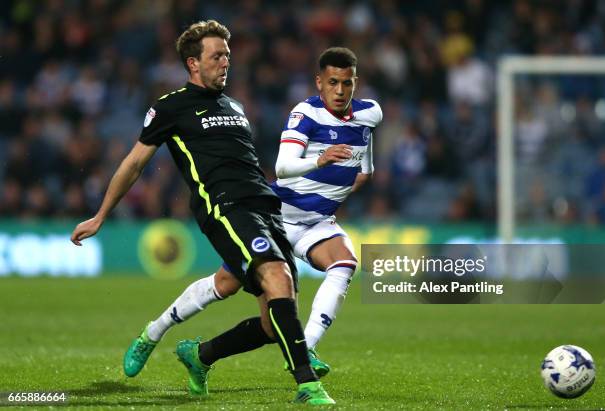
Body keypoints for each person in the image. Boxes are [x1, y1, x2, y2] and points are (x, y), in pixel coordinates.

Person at [70, 20, 334, 405]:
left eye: (227, 55)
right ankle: (307, 384)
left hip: (265, 206)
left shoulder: (235, 106)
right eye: (217, 56)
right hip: (224, 207)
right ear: (193, 63)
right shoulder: (170, 107)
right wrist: (100, 215)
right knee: (276, 277)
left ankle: (200, 355)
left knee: (273, 320)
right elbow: (133, 164)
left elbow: (244, 161)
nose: (225, 62)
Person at [122, 46, 382, 383]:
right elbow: (283, 167)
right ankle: (154, 333)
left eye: (346, 84)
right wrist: (322, 160)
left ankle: (309, 349)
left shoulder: (370, 114)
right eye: (332, 83)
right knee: (224, 286)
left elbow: (365, 168)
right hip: (276, 218)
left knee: (344, 264)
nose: (339, 91)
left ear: (355, 83)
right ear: (319, 83)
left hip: (317, 222)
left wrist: (342, 186)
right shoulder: (306, 114)